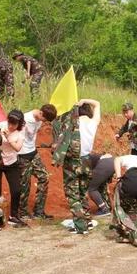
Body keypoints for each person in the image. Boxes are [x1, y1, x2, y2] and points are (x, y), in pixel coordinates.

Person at [52, 99, 101, 234]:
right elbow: (97, 103)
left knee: (73, 194)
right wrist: (84, 100)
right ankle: (87, 220)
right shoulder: (93, 122)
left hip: (72, 163)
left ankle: (80, 226)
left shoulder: (72, 124)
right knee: (82, 193)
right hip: (87, 161)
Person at [15, 104, 57, 220]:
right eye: (44, 120)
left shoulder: (39, 120)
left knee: (44, 177)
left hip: (33, 153)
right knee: (25, 184)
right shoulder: (25, 119)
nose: (43, 122)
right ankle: (22, 212)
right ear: (41, 113)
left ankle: (39, 211)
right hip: (22, 155)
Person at [0, 109, 28, 228]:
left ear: (19, 124)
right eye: (9, 122)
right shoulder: (0, 126)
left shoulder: (20, 132)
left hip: (11, 163)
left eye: (14, 124)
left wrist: (8, 136)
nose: (10, 126)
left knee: (16, 190)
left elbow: (18, 148)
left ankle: (13, 216)